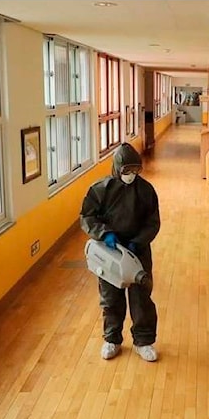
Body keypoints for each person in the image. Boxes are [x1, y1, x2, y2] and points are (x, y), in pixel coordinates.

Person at [80, 143, 161, 362]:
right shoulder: (100, 190)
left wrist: (137, 243)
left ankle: (143, 341)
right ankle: (112, 339)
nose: (131, 175)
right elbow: (87, 217)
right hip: (110, 252)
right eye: (126, 170)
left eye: (135, 170)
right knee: (110, 297)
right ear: (117, 168)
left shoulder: (146, 191)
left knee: (141, 297)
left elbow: (152, 222)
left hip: (138, 251)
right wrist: (104, 233)